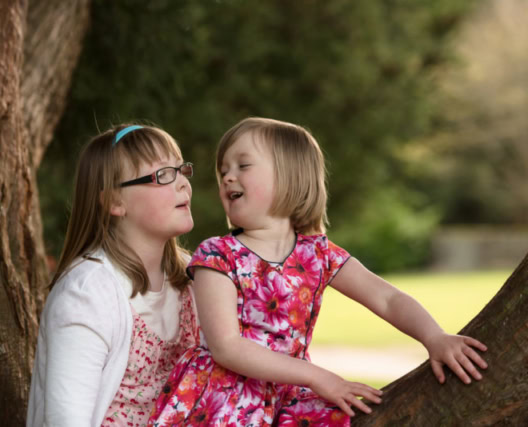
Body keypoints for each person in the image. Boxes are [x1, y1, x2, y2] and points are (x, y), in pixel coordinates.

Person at [148, 117, 488, 426]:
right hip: (224, 396)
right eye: (223, 171)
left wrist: (434, 336)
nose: (228, 177)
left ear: (290, 176)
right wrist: (316, 376)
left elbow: (386, 297)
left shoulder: (318, 254)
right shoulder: (218, 255)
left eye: (243, 165)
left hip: (293, 395)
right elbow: (227, 347)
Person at [26, 124, 200, 427]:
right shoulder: (87, 293)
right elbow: (66, 419)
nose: (183, 184)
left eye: (181, 169)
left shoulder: (193, 276)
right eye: (163, 175)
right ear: (115, 202)